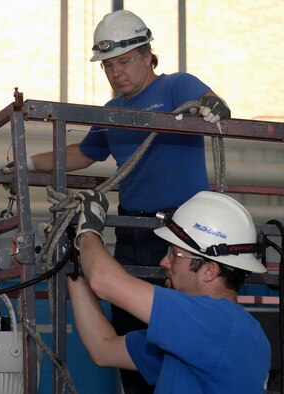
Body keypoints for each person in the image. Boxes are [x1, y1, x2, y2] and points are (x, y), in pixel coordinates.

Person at [27, 10, 231, 392]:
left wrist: (213, 105)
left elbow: (206, 101)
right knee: (130, 325)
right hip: (131, 229)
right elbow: (84, 154)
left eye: (124, 61)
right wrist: (23, 162)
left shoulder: (175, 87)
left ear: (147, 55)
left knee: (175, 327)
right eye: (108, 66)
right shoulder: (109, 113)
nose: (116, 72)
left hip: (181, 233)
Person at [68, 189, 270, 393]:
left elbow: (104, 281)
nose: (164, 262)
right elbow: (104, 349)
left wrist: (88, 230)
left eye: (175, 254)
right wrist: (74, 262)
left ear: (209, 270)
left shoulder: (217, 323)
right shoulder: (200, 334)